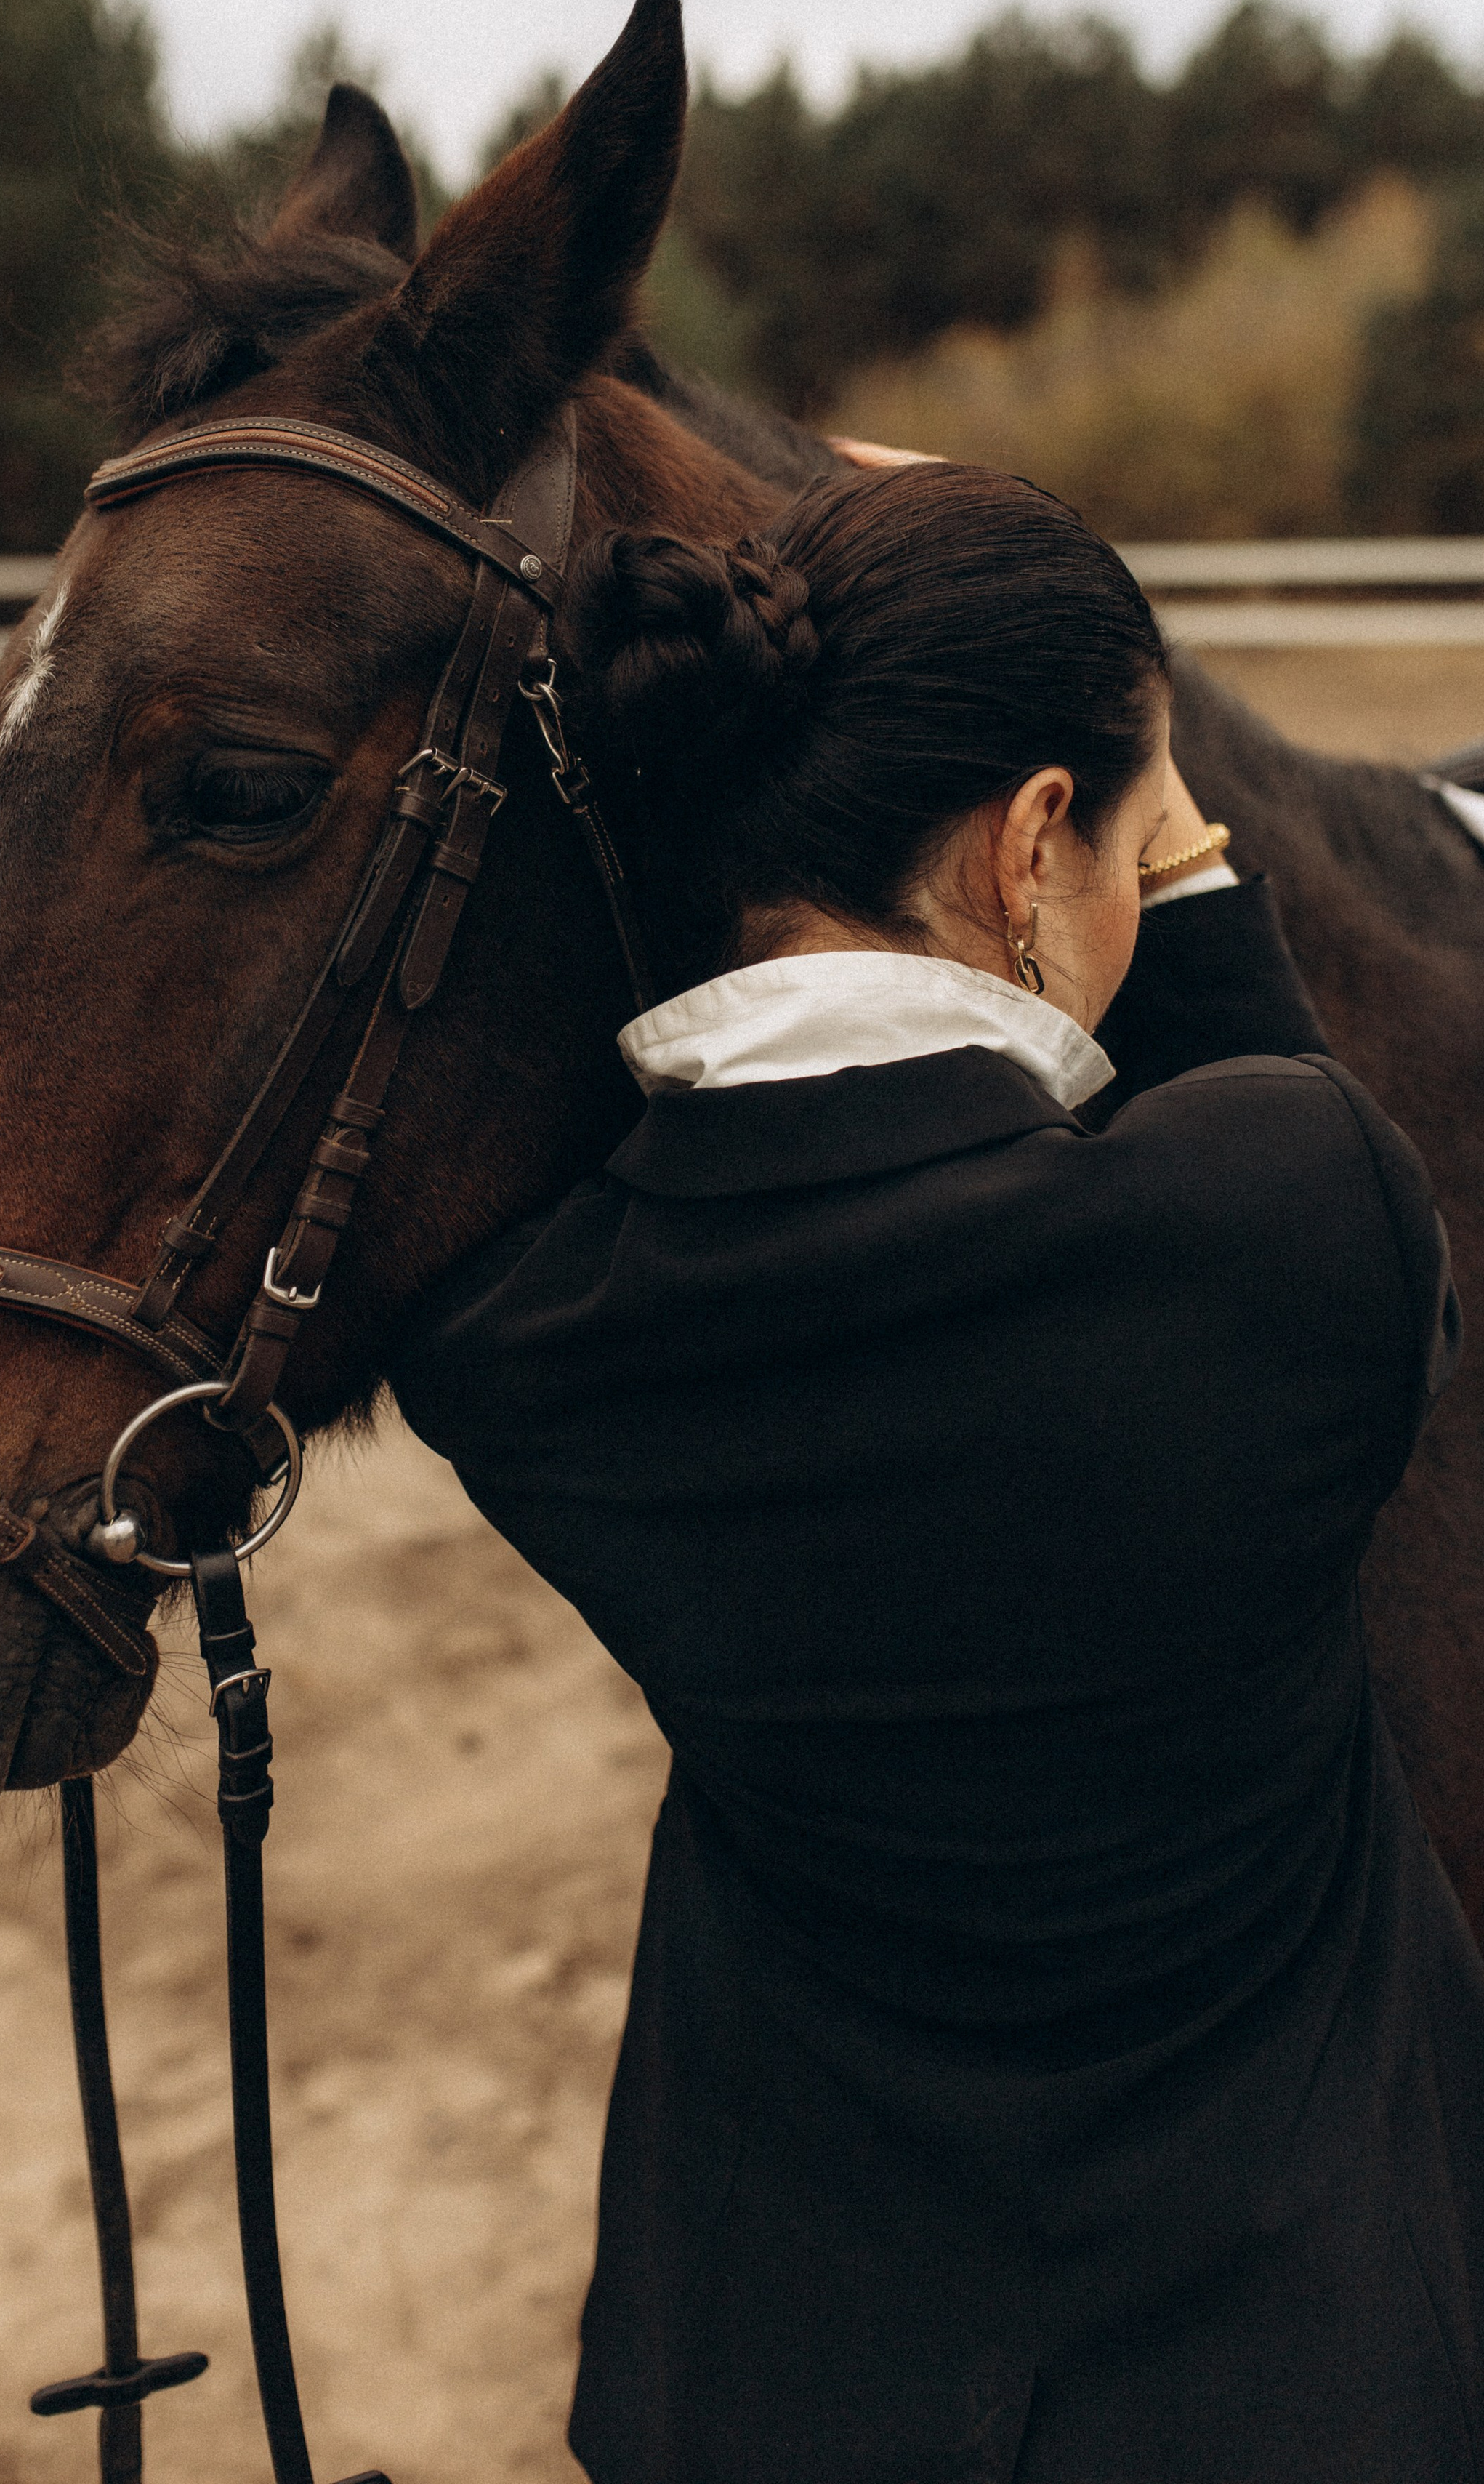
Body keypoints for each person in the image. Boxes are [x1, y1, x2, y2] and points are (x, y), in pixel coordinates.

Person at [391, 462, 1477, 2483]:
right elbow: (1302, 1116)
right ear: (1036, 836)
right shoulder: (1299, 1217)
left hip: (774, 2393)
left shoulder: (525, 1355)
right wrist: (1196, 853)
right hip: (1284, 2382)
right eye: (1137, 833)